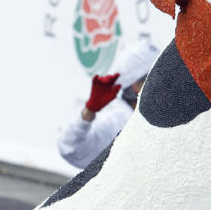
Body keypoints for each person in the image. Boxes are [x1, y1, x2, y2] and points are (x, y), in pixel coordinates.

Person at [57, 39, 159, 168]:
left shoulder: (161, 116)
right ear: (137, 86)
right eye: (159, 77)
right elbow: (70, 148)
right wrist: (89, 111)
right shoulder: (117, 120)